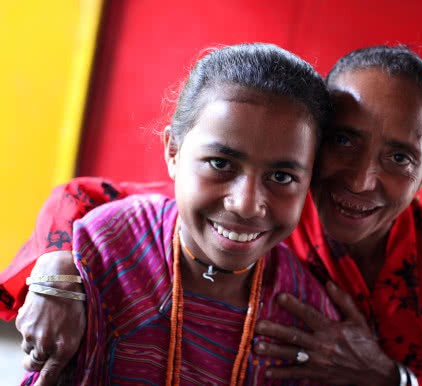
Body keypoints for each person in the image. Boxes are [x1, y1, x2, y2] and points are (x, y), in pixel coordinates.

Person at [3, 45, 422, 385]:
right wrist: (57, 270)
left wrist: (389, 378)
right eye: (343, 142)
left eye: (399, 158)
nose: (359, 179)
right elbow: (87, 200)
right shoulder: (264, 210)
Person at [17, 42, 360, 385]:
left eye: (282, 177)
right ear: (173, 152)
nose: (245, 204)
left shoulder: (306, 317)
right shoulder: (106, 253)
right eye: (220, 164)